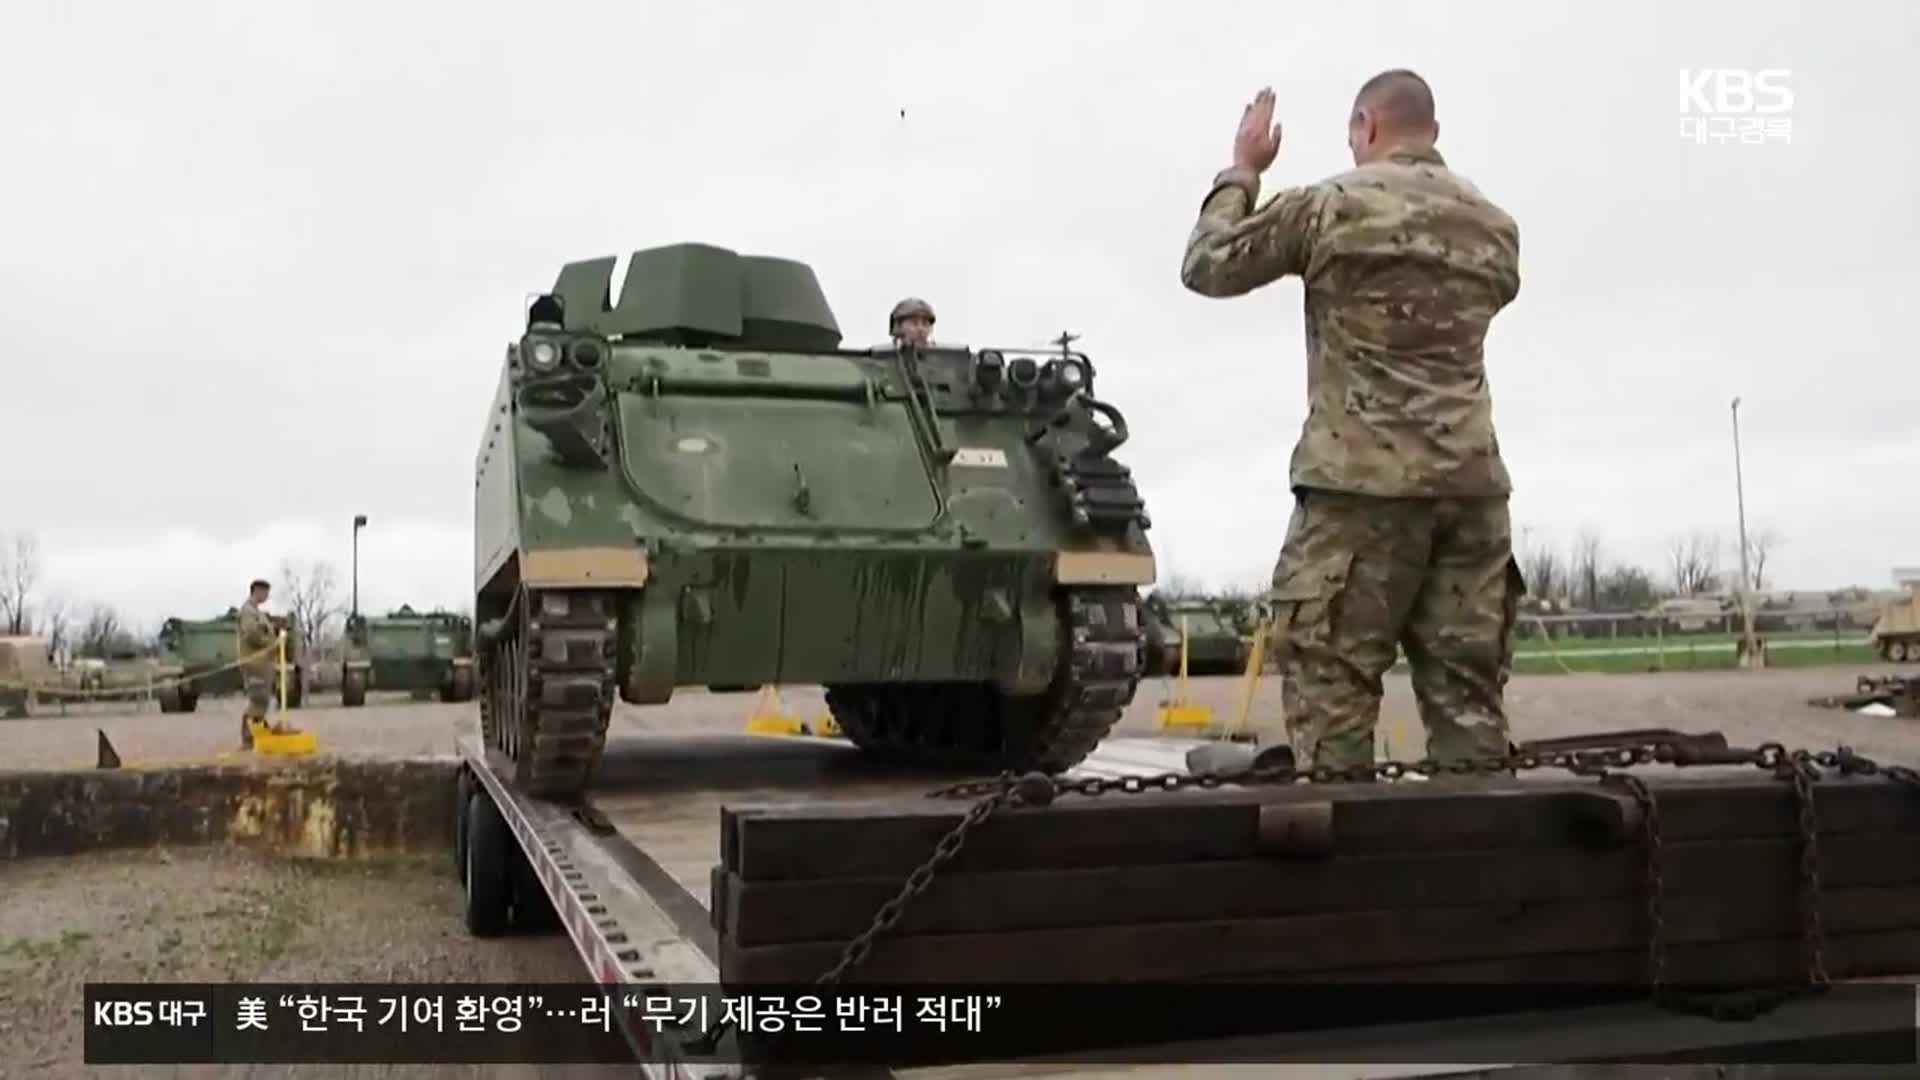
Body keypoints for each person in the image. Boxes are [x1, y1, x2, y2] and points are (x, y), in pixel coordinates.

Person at [1178, 70, 1525, 771]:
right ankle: (1488, 858)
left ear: (1366, 126)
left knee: (1332, 703)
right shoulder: (1496, 227)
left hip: (1357, 496)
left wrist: (1242, 170)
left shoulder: (1331, 206)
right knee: (1470, 710)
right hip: (1471, 495)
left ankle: (1346, 868)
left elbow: (1208, 265)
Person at [236, 578, 285, 748]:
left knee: (262, 699)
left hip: (262, 662)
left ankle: (258, 733)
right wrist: (271, 641)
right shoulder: (248, 611)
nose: (266, 596)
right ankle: (248, 738)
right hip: (254, 663)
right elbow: (253, 635)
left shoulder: (257, 612)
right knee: (258, 699)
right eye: (265, 592)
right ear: (257, 591)